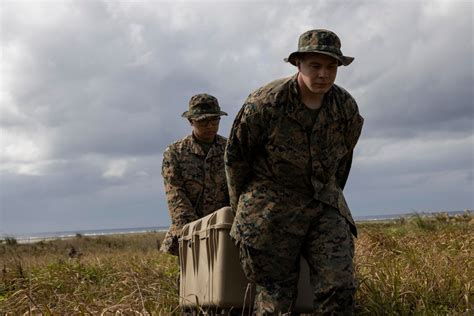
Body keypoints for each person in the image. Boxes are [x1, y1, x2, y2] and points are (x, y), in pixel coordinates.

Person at [225, 29, 364, 315]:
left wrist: (332, 196)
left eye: (331, 67)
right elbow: (237, 159)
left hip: (324, 203)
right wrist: (243, 211)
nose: (324, 74)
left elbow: (343, 160)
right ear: (298, 64)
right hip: (270, 209)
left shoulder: (345, 107)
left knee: (339, 286)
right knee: (276, 298)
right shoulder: (265, 103)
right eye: (315, 65)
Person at [160, 93, 230, 256]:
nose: (210, 126)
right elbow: (175, 194)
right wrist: (194, 232)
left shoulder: (230, 148)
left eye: (215, 121)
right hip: (189, 232)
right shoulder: (175, 152)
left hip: (224, 228)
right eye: (203, 122)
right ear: (191, 121)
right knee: (191, 278)